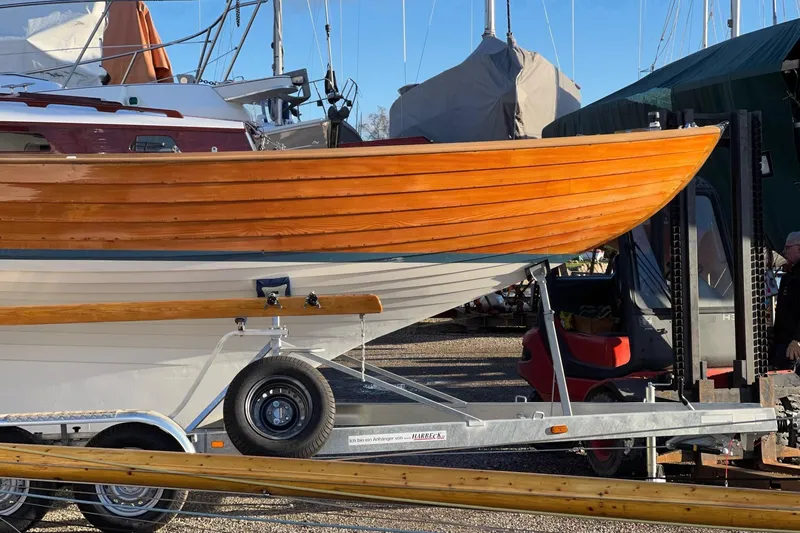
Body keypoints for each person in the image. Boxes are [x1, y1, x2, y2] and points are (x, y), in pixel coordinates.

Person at [772, 231, 800, 369]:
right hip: (783, 342)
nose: (784, 252)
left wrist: (797, 339)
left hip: (794, 346)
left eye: (788, 248)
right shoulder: (788, 277)